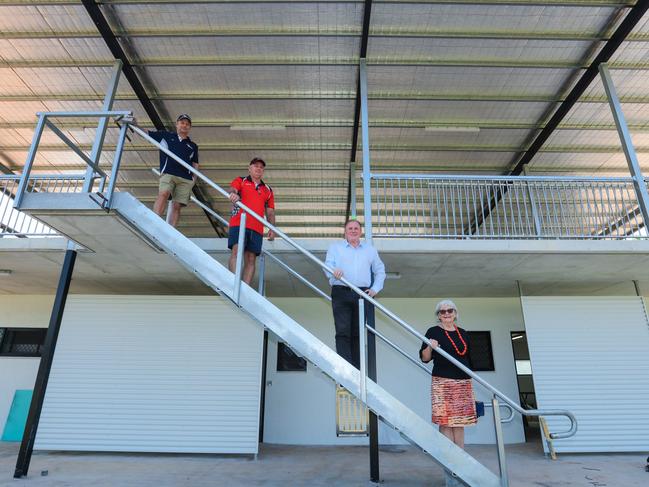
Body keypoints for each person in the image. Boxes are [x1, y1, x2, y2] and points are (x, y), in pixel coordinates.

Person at [324, 219, 386, 368]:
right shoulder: (335, 247)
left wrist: (375, 289)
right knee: (343, 331)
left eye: (356, 228)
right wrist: (333, 272)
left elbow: (380, 270)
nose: (353, 230)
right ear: (345, 232)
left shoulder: (370, 250)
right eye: (350, 228)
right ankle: (345, 369)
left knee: (357, 333)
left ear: (360, 232)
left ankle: (357, 370)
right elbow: (327, 266)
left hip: (362, 294)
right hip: (341, 291)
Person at [420, 300, 476, 449]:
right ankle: (450, 460)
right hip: (443, 382)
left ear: (455, 313)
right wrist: (430, 347)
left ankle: (461, 459)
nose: (446, 314)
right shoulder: (433, 332)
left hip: (463, 382)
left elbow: (469, 358)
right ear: (438, 316)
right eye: (442, 312)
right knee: (445, 422)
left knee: (460, 422)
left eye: (449, 311)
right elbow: (425, 358)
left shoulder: (463, 333)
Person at [227, 158, 276, 284]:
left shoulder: (267, 189)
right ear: (249, 168)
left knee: (251, 259)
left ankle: (245, 290)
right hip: (239, 223)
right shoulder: (241, 180)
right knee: (236, 251)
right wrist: (234, 194)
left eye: (261, 167)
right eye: (256, 166)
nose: (259, 168)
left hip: (257, 228)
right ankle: (234, 283)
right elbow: (233, 189)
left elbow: (270, 211)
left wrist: (272, 228)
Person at [147, 114, 199, 227]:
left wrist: (193, 179)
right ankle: (154, 222)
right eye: (182, 123)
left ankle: (170, 230)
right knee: (164, 194)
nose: (184, 125)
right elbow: (148, 133)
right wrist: (134, 124)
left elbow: (195, 163)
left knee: (177, 205)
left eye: (187, 124)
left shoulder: (193, 145)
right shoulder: (166, 136)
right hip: (169, 173)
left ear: (189, 128)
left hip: (185, 179)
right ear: (177, 124)